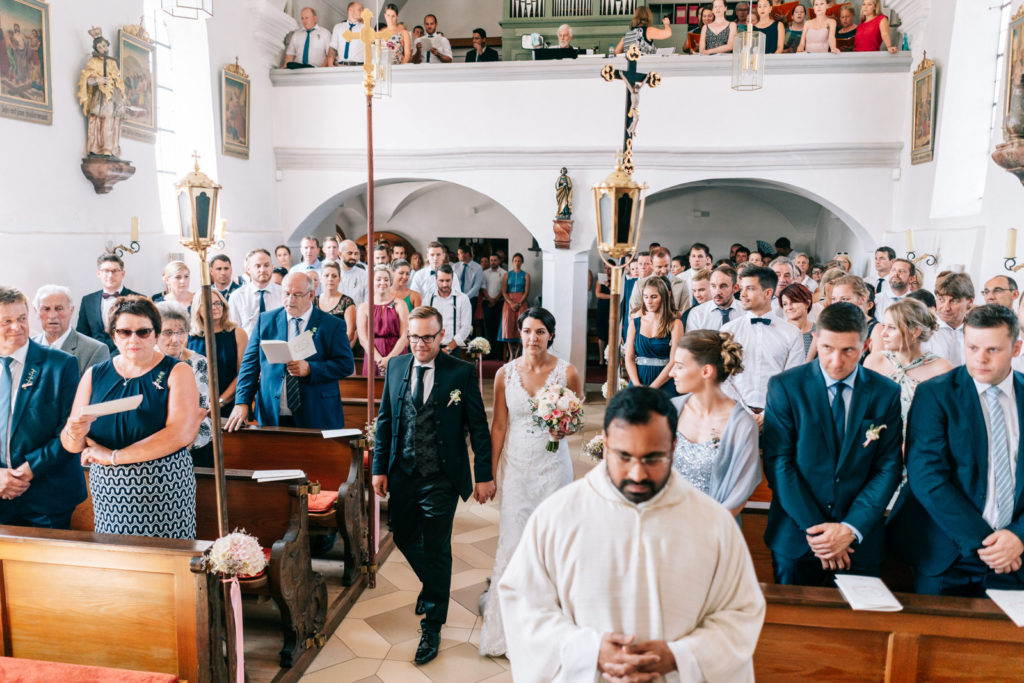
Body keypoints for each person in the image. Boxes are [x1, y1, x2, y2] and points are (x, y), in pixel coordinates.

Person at [498, 386, 766, 682]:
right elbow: (524, 605)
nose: (637, 474)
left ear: (674, 447)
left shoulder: (712, 523)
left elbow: (740, 614)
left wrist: (680, 656)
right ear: (606, 444)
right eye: (624, 457)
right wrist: (589, 651)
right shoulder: (558, 515)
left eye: (653, 458)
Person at [371, 306, 494, 665]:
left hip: (442, 474)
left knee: (438, 547)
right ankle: (435, 586)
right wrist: (379, 468)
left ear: (441, 336)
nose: (420, 343)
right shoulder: (396, 367)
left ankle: (433, 624)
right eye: (414, 336)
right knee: (403, 534)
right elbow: (384, 422)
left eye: (427, 336)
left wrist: (483, 474)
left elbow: (478, 429)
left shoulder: (461, 372)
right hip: (403, 472)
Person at [762, 302, 903, 585]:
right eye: (827, 348)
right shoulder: (786, 387)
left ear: (864, 347)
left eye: (848, 350)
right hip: (797, 537)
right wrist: (819, 533)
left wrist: (850, 529)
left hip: (858, 541)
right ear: (815, 340)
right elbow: (779, 463)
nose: (836, 362)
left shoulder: (885, 392)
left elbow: (887, 468)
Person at [890, 305, 1024, 595]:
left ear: (1016, 348)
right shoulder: (936, 394)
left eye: (993, 350)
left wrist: (1017, 537)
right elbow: (927, 477)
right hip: (947, 554)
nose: (980, 359)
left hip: (1016, 556)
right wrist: (989, 545)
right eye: (973, 347)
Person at [479, 307, 582, 657]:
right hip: (518, 468)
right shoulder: (505, 374)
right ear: (518, 334)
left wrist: (563, 427)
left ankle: (552, 628)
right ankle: (508, 631)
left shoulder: (568, 372)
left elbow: (576, 421)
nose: (532, 338)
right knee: (514, 541)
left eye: (539, 332)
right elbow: (499, 427)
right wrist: (488, 474)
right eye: (526, 331)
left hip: (554, 466)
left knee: (555, 543)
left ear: (550, 335)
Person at [62, 296, 201, 538]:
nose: (133, 339)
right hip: (110, 491)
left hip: (163, 487)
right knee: (118, 565)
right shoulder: (95, 375)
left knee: (164, 566)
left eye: (143, 332)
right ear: (114, 335)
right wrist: (74, 433)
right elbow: (72, 444)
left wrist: (114, 457)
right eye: (124, 332)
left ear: (156, 334)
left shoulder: (177, 371)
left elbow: (180, 434)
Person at [0, 287, 84, 529]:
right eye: (6, 321)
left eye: (22, 319)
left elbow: (70, 431)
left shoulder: (60, 365)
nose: (16, 327)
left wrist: (29, 469)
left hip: (48, 497)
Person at [225, 272, 354, 430]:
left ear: (311, 295)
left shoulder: (331, 325)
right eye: (286, 294)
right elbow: (249, 366)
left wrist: (311, 369)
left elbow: (346, 365)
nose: (290, 300)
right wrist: (242, 402)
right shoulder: (265, 321)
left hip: (317, 412)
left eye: (297, 295)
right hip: (271, 412)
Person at [670, 330, 761, 517]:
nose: (672, 373)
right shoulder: (669, 410)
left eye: (679, 366)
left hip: (715, 529)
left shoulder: (742, 426)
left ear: (706, 371)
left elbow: (739, 493)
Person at [723, 266, 805, 420]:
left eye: (750, 289)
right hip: (735, 414)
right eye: (742, 289)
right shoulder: (728, 331)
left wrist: (767, 415)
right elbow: (723, 378)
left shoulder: (792, 333)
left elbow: (793, 381)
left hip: (777, 415)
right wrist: (745, 413)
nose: (743, 294)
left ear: (768, 293)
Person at [864, 298, 952, 426]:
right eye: (884, 326)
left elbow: (948, 419)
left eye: (892, 328)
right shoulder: (874, 362)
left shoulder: (942, 369)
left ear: (915, 331)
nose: (883, 334)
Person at [156, 302, 213, 468]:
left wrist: (180, 448)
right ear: (155, 333)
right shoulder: (146, 361)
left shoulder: (198, 363)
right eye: (168, 333)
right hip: (155, 444)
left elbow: (199, 411)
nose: (175, 339)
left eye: (181, 332)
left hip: (194, 443)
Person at [626, 277, 684, 398]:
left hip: (664, 380)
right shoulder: (635, 323)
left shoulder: (675, 324)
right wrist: (637, 386)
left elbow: (674, 360)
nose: (649, 301)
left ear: (663, 297)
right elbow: (629, 358)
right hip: (638, 379)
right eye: (645, 297)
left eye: (653, 297)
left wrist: (652, 388)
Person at [32, 285, 109, 376]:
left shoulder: (95, 351)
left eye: (59, 309)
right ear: (36, 311)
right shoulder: (28, 346)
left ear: (71, 310)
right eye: (46, 309)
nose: (52, 315)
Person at [77, 254, 140, 352]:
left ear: (122, 274)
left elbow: (139, 333)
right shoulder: (87, 300)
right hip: (94, 356)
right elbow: (82, 334)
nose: (110, 275)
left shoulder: (138, 299)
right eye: (106, 271)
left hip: (125, 355)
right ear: (98, 273)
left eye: (114, 271)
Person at [76, 31, 126, 158]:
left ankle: (113, 147)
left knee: (114, 121)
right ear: (96, 49)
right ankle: (103, 147)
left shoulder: (113, 63)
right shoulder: (93, 62)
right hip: (101, 95)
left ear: (107, 46)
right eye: (100, 47)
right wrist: (98, 80)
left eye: (104, 46)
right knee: (103, 119)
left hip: (114, 95)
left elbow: (119, 79)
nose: (103, 49)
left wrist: (121, 91)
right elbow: (87, 79)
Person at [357, 266, 409, 376]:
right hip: (373, 355)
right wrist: (379, 360)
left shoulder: (400, 304)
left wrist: (389, 359)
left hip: (397, 355)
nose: (383, 282)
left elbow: (404, 336)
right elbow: (363, 339)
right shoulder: (363, 307)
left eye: (386, 279)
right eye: (378, 279)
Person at [228, 248, 282, 336]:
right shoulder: (237, 297)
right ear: (248, 269)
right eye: (258, 266)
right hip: (248, 347)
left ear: (272, 267)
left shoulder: (283, 293)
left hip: (278, 345)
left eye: (266, 265)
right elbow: (233, 331)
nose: (263, 269)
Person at [926, 272, 974, 367]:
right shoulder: (924, 331)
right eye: (941, 300)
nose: (946, 308)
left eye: (954, 301)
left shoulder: (978, 332)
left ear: (970, 302)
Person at [427, 265, 472, 355]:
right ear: (436, 279)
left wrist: (449, 348)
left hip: (453, 349)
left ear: (452, 279)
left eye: (448, 280)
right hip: (432, 348)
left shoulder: (463, 299)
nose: (445, 284)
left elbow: (466, 328)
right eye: (441, 280)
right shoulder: (428, 299)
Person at [316, 261, 358, 348]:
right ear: (321, 278)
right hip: (316, 349)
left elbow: (350, 334)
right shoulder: (313, 301)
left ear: (339, 279)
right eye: (326, 275)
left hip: (338, 349)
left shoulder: (347, 302)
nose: (330, 279)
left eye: (334, 276)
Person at [500, 253, 530, 360]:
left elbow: (526, 292)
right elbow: (504, 291)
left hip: (521, 301)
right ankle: (511, 353)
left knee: (520, 326)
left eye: (519, 261)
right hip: (509, 302)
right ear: (512, 262)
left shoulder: (526, 275)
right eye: (515, 261)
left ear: (522, 262)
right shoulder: (507, 275)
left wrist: (520, 303)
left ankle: (518, 353)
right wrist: (511, 302)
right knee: (508, 326)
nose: (517, 263)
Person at [780, 282, 816, 358]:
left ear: (807, 303)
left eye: (794, 302)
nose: (789, 307)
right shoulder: (779, 333)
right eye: (785, 304)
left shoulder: (819, 331)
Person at [329, 1, 366, 65]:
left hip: (359, 68)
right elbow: (333, 48)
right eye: (360, 9)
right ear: (350, 10)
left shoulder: (365, 28)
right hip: (341, 67)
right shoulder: (338, 27)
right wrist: (330, 65)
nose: (362, 12)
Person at [452, 244, 484, 313]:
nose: (457, 256)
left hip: (471, 299)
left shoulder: (478, 268)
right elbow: (452, 282)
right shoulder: (455, 266)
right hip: (456, 298)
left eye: (459, 253)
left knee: (468, 321)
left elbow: (477, 286)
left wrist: (465, 297)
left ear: (466, 254)